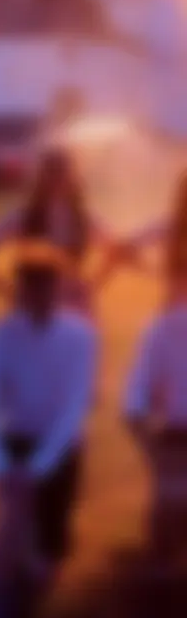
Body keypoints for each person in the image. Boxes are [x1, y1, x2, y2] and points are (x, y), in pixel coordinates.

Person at [0, 252, 97, 618]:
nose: (35, 298)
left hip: (61, 449)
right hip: (17, 442)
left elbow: (74, 409)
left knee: (47, 560)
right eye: (28, 290)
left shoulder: (80, 338)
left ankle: (40, 573)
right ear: (19, 291)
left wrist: (38, 469)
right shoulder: (1, 335)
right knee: (9, 523)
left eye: (44, 289)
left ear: (57, 291)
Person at [123, 175, 187, 574]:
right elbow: (125, 246)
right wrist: (152, 273)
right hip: (175, 314)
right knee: (171, 394)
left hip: (176, 310)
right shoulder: (170, 225)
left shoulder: (170, 225)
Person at [0, 148, 119, 313]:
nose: (57, 180)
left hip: (70, 307)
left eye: (60, 174)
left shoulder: (82, 218)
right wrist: (8, 292)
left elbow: (117, 251)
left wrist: (91, 286)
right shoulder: (23, 217)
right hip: (36, 308)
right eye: (53, 174)